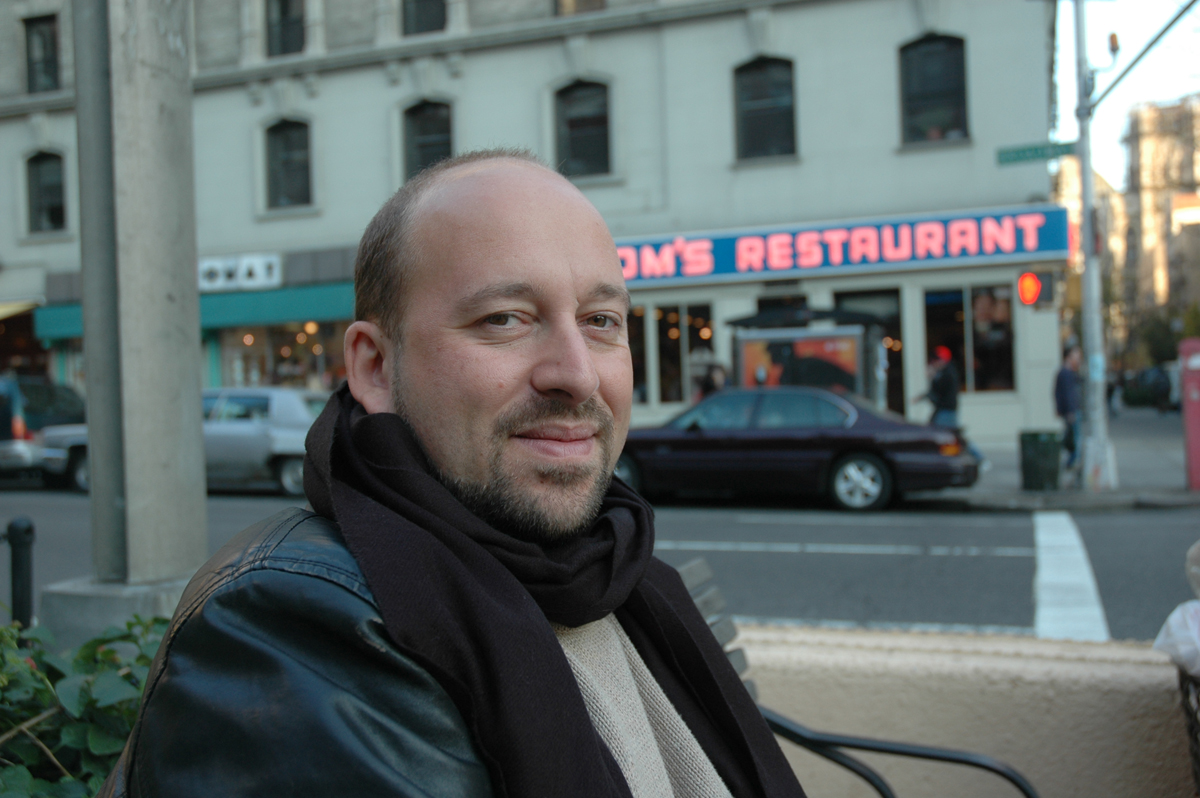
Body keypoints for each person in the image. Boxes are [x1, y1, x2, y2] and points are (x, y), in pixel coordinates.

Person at [99, 151, 805, 798]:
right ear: (375, 366)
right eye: (504, 318)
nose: (576, 373)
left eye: (601, 321)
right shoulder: (295, 628)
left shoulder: (610, 569)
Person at [914, 346, 988, 468]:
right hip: (942, 411)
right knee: (943, 435)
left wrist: (932, 379)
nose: (935, 362)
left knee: (953, 437)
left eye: (937, 359)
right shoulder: (941, 373)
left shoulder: (949, 373)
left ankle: (978, 458)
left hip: (947, 411)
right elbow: (934, 392)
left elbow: (939, 393)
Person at [1056, 345, 1083, 469]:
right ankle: (1073, 462)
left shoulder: (1068, 373)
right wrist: (1069, 411)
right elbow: (1066, 395)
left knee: (1071, 437)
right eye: (1076, 357)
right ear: (1068, 357)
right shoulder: (1066, 373)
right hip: (1072, 411)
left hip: (1070, 411)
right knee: (1075, 439)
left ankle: (1072, 460)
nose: (1078, 360)